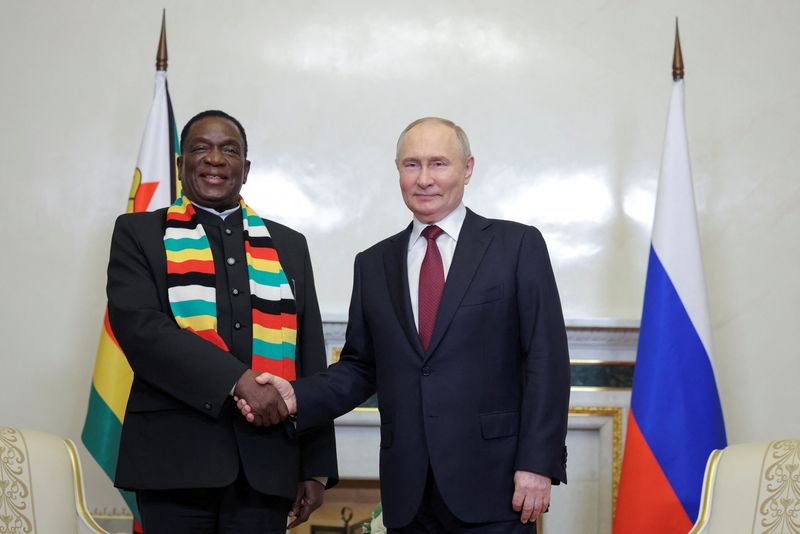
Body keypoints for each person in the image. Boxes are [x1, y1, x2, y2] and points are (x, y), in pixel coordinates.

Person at [239, 117, 570, 532]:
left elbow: (547, 361)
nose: (424, 179)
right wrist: (296, 396)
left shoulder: (516, 246)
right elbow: (361, 366)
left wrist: (537, 464)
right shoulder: (374, 263)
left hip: (496, 485)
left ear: (467, 168)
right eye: (411, 165)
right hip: (408, 492)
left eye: (439, 164)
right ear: (398, 170)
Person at [106, 110, 338, 534]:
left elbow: (309, 354)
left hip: (267, 466)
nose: (215, 159)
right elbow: (142, 332)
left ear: (245, 170)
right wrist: (239, 381)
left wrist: (317, 465)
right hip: (173, 463)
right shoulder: (139, 233)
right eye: (200, 148)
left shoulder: (288, 244)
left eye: (229, 150)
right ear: (180, 165)